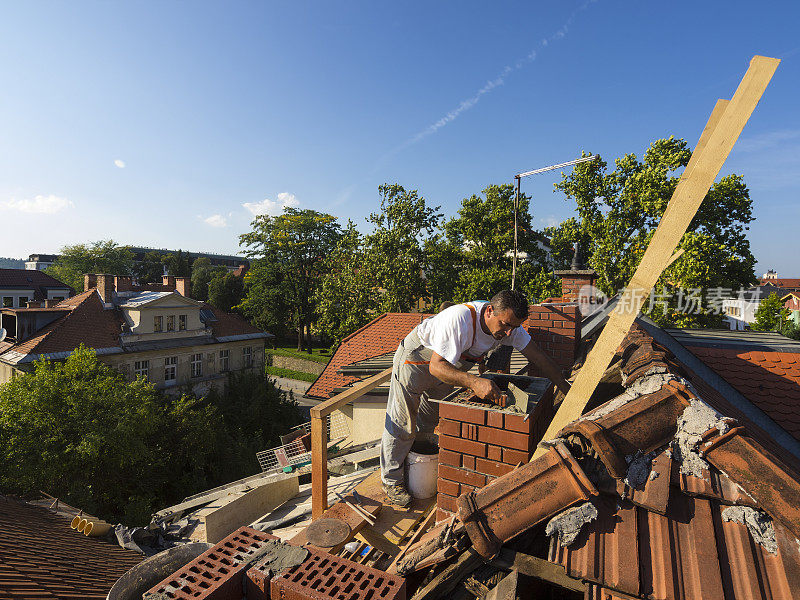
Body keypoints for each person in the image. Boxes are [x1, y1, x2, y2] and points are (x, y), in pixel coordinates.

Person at [380, 289, 572, 506]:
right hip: (416, 362)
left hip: (447, 366)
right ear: (489, 311)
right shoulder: (460, 319)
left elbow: (539, 358)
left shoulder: (510, 327)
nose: (509, 333)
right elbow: (435, 366)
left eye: (514, 327)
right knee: (403, 423)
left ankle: (416, 468)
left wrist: (567, 388)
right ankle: (391, 480)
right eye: (505, 325)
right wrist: (474, 382)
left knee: (429, 420)